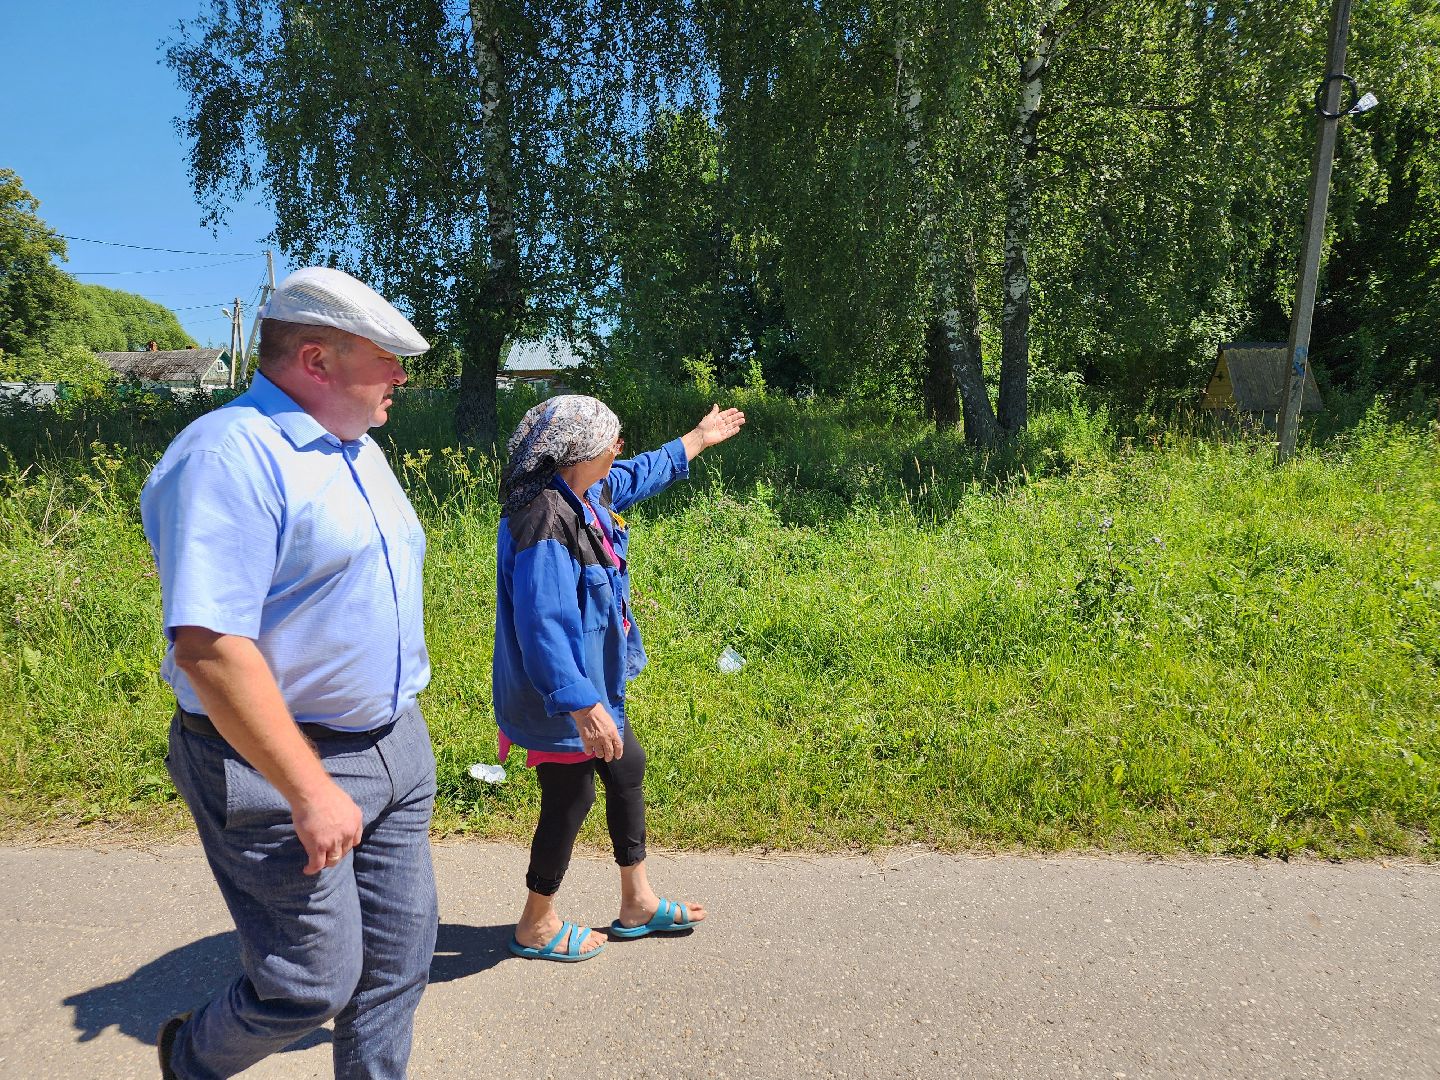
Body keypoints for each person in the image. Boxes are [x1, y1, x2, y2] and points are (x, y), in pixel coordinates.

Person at [141, 267, 438, 1078]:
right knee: (310, 984)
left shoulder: (358, 449)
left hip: (393, 746)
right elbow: (210, 648)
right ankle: (190, 1059)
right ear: (317, 360)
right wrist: (310, 791)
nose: (400, 376)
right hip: (279, 763)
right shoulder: (227, 455)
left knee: (397, 969)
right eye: (386, 358)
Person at [493, 394, 745, 961]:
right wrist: (583, 707)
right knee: (571, 795)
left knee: (626, 766)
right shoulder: (545, 519)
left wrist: (698, 438)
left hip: (591, 683)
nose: (619, 448)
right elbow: (544, 626)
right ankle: (535, 923)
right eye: (612, 440)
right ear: (580, 451)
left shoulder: (588, 492)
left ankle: (638, 903)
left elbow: (638, 473)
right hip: (558, 694)